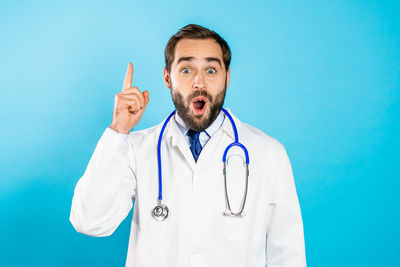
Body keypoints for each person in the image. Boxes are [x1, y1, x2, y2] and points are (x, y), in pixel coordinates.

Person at [69, 24, 307, 267]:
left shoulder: (268, 153)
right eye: (186, 70)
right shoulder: (135, 149)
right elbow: (89, 221)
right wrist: (118, 131)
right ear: (167, 78)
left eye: (211, 70)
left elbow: (288, 256)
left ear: (227, 77)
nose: (199, 82)